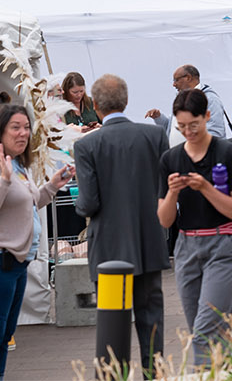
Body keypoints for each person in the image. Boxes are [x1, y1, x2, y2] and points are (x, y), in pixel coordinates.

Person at [72, 74, 170, 374]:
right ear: (126, 102)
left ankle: (116, 376)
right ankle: (154, 376)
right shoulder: (154, 136)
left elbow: (88, 203)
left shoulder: (87, 145)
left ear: (96, 106)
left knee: (113, 323)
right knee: (152, 319)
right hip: (149, 240)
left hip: (109, 248)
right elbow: (165, 189)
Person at [0, 106, 73, 380]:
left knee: (3, 333)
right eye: (15, 127)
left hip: (14, 261)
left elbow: (26, 204)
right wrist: (3, 181)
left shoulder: (16, 164)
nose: (24, 133)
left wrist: (52, 186)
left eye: (26, 127)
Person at [157, 89, 232, 368]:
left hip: (224, 244)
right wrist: (173, 193)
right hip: (186, 248)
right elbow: (164, 220)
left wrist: (206, 188)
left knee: (204, 332)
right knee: (211, 332)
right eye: (181, 126)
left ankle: (207, 373)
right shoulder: (170, 159)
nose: (188, 131)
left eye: (193, 124)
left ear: (207, 116)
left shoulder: (227, 152)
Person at [149, 65, 231, 139]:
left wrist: (194, 148)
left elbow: (215, 131)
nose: (174, 84)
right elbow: (171, 129)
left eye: (176, 80)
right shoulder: (181, 99)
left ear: (188, 77)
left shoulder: (210, 99)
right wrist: (158, 118)